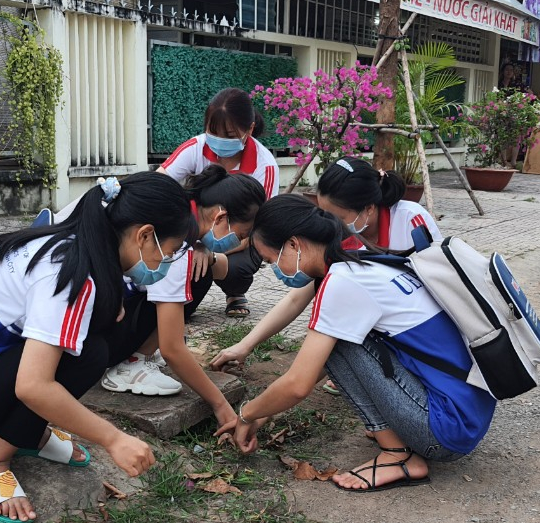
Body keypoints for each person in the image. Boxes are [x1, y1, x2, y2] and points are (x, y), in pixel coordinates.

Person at [0, 171, 190, 523]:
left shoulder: (73, 242)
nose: (164, 265)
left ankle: (26, 432)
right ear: (145, 235)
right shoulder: (68, 273)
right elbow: (32, 386)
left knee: (90, 346)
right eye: (169, 253)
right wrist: (114, 438)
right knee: (86, 356)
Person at [213, 195, 495, 492]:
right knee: (334, 341)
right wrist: (263, 414)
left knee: (336, 343)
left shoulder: (342, 282)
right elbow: (321, 365)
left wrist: (247, 414)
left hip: (444, 433)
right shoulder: (365, 260)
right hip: (466, 416)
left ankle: (398, 457)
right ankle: (398, 444)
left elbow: (299, 383)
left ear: (295, 245)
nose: (275, 269)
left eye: (272, 259)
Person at [209, 156, 440, 376]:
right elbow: (296, 297)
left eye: (337, 216)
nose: (327, 223)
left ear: (368, 208)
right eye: (323, 213)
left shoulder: (410, 220)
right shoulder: (341, 237)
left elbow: (438, 284)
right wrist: (245, 344)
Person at [101, 166, 266, 416]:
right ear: (220, 218)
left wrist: (204, 250)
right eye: (240, 235)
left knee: (200, 272)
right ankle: (130, 364)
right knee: (192, 277)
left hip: (99, 312)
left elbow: (219, 267)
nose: (239, 243)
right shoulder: (176, 246)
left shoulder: (175, 209)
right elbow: (173, 349)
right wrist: (219, 404)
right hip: (96, 336)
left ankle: (139, 352)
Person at [159, 87, 279, 317]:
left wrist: (211, 249)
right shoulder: (195, 147)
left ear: (249, 129)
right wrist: (192, 242)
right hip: (191, 234)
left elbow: (259, 229)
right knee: (188, 266)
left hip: (239, 241)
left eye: (230, 135)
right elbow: (158, 184)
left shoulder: (265, 166)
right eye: (213, 132)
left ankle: (234, 290)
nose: (221, 141)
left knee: (236, 268)